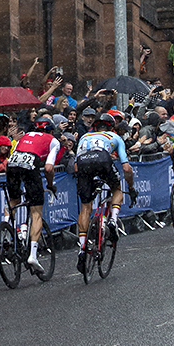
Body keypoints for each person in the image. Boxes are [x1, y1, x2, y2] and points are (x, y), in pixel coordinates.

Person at [75, 113, 135, 264]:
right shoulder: (114, 137)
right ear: (112, 127)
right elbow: (126, 168)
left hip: (83, 164)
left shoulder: (83, 137)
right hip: (102, 159)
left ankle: (82, 248)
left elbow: (76, 167)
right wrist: (131, 187)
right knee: (116, 189)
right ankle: (113, 220)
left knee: (85, 207)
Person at [5, 118, 60, 273]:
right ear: (50, 130)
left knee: (14, 201)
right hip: (30, 165)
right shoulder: (53, 140)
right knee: (36, 212)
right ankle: (33, 255)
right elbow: (49, 168)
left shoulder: (26, 135)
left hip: (12, 165)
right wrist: (50, 185)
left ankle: (8, 231)